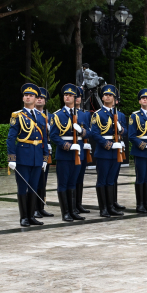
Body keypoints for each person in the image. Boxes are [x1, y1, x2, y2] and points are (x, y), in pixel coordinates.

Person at [7, 84, 48, 227]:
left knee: (34, 187)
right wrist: (11, 158)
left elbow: (44, 138)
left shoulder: (41, 116)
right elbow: (11, 138)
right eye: (26, 95)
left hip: (37, 156)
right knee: (22, 187)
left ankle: (31, 216)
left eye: (31, 95)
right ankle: (23, 217)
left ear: (36, 99)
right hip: (23, 155)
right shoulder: (17, 115)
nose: (28, 97)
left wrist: (45, 157)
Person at [48, 83, 87, 222]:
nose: (68, 97)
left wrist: (81, 131)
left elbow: (87, 132)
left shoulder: (81, 115)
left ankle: (73, 211)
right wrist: (67, 146)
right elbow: (53, 136)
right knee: (63, 184)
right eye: (66, 95)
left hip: (78, 154)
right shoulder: (58, 115)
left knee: (73, 183)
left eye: (70, 95)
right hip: (65, 154)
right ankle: (65, 212)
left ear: (75, 98)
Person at [88, 84, 127, 217]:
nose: (107, 96)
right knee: (102, 180)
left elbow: (125, 131)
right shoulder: (98, 115)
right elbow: (95, 134)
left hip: (116, 151)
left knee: (112, 180)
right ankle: (103, 208)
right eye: (105, 95)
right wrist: (108, 144)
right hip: (104, 151)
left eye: (110, 95)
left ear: (115, 98)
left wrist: (121, 129)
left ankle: (111, 207)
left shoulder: (120, 115)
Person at [32, 89, 54, 219]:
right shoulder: (29, 115)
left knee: (43, 180)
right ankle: (34, 208)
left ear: (45, 101)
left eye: (42, 98)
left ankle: (41, 207)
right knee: (35, 179)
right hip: (34, 150)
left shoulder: (50, 117)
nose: (40, 99)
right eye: (38, 97)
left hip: (46, 151)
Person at [73, 86, 92, 216]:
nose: (77, 99)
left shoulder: (85, 114)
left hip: (82, 148)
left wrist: (83, 133)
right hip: (72, 148)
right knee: (72, 178)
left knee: (80, 178)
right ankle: (72, 205)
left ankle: (78, 204)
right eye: (75, 96)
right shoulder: (65, 113)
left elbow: (90, 131)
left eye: (79, 96)